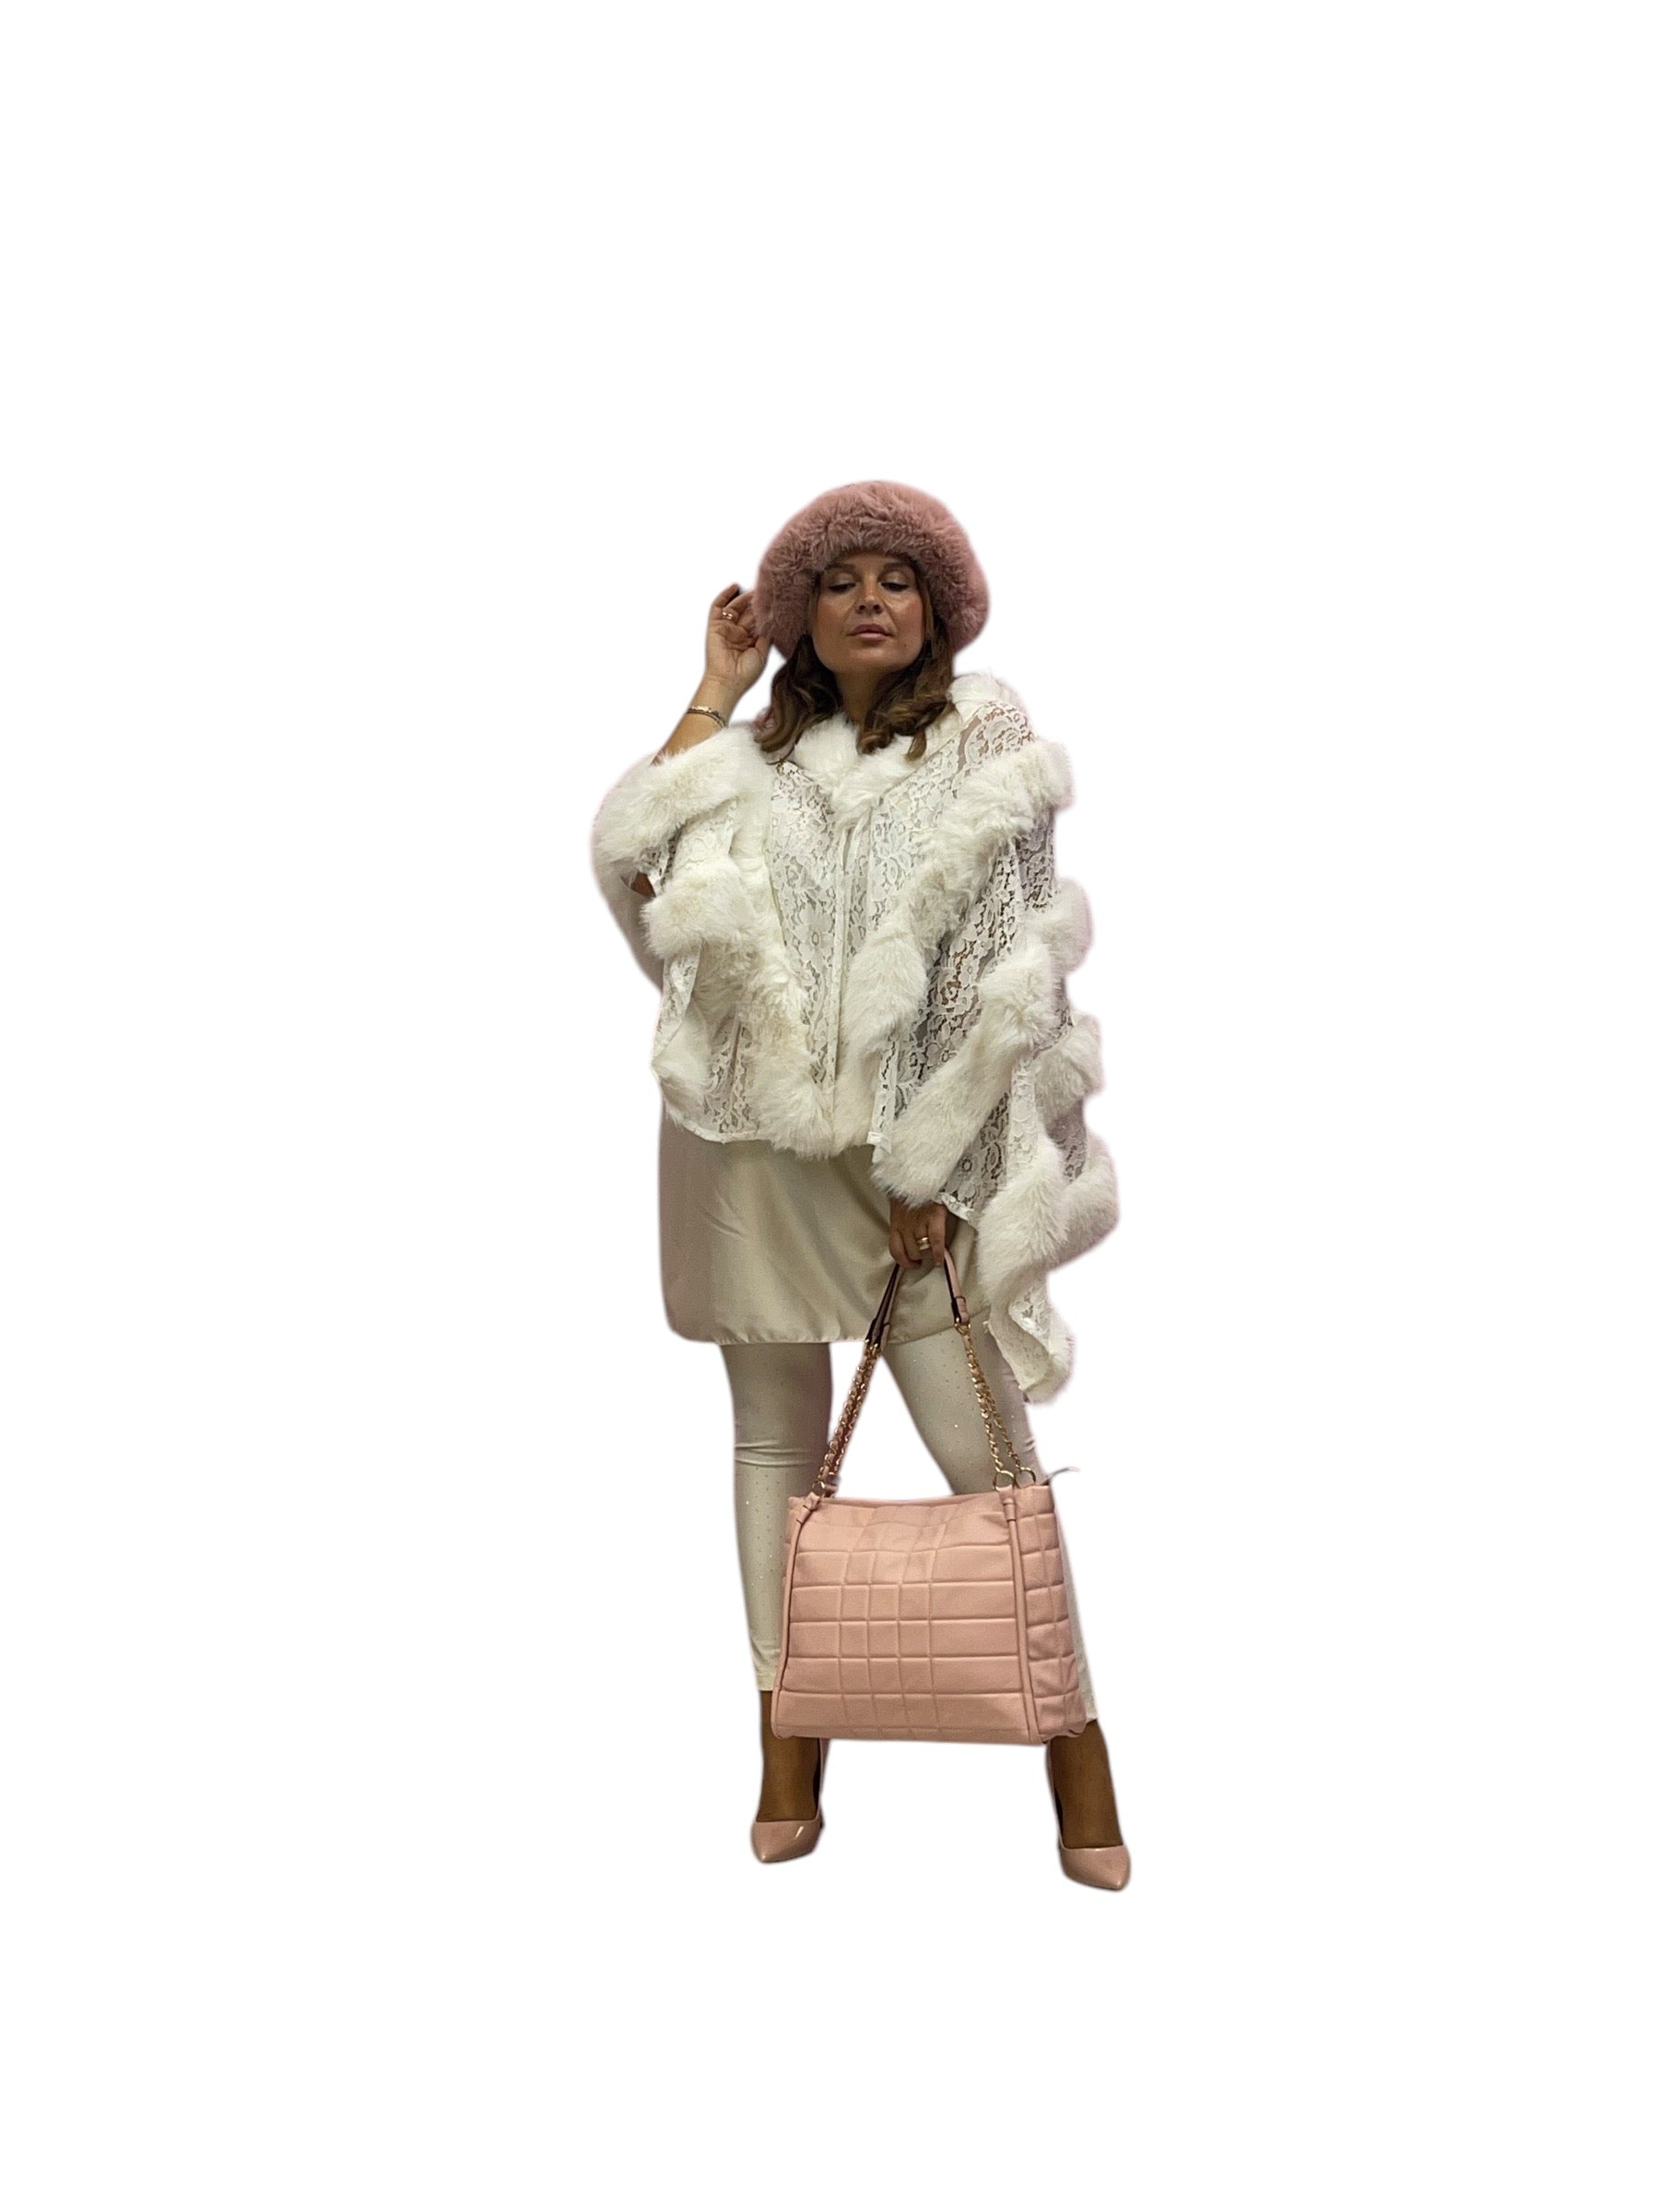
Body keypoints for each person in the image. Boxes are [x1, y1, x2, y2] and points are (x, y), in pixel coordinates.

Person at [589, 481, 1130, 1888]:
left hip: (909, 1164)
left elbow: (1002, 959)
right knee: (773, 1443)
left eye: (899, 577)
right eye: (838, 582)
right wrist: (714, 692)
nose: (870, 599)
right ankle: (784, 1734)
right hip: (749, 1145)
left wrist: (935, 1162)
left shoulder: (984, 736)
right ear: (801, 617)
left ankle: (1076, 1747)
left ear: (938, 609)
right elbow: (632, 858)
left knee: (986, 1457)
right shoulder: (754, 757)